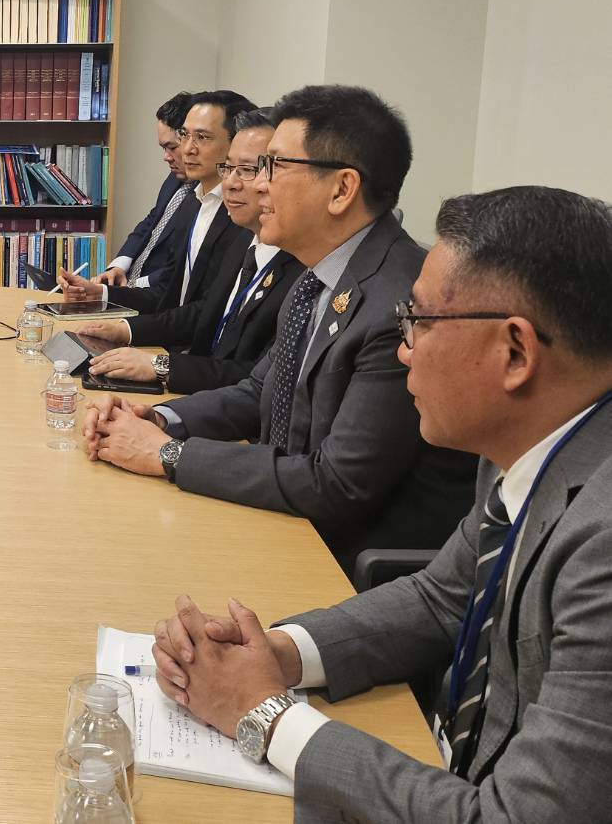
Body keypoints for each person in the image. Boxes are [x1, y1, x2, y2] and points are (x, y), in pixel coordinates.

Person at [148, 186, 612, 823]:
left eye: (418, 322)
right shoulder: (534, 441)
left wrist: (264, 714)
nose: (403, 348)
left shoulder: (602, 541)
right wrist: (276, 656)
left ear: (514, 352)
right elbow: (441, 597)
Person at [82, 85, 476, 572]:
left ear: (341, 189)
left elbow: (336, 484)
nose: (257, 185)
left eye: (273, 166)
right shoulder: (319, 273)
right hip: (281, 523)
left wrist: (169, 455)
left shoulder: (398, 303)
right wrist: (159, 420)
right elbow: (258, 391)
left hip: (336, 562)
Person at [77, 109, 304, 394]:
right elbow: (203, 312)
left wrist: (161, 366)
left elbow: (260, 380)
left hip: (215, 397)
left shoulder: (302, 268)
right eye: (229, 168)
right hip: (197, 386)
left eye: (249, 170)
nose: (231, 183)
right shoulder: (243, 239)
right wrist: (125, 329)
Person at [60, 90, 254, 315]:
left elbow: (197, 309)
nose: (187, 149)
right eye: (185, 136)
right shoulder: (191, 196)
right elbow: (152, 226)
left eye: (202, 137)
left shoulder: (240, 215)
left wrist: (125, 322)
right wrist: (102, 290)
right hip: (148, 304)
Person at [95, 91, 194, 292]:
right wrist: (119, 266)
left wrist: (131, 287)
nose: (166, 157)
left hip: (156, 294)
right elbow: (152, 220)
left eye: (172, 147)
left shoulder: (208, 197)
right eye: (163, 148)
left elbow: (185, 265)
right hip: (130, 284)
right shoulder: (175, 178)